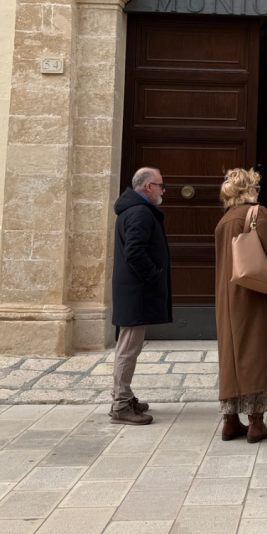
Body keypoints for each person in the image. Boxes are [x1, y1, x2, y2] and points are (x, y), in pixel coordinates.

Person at [215, 168, 267, 444]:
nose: (259, 192)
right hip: (255, 294)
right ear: (250, 190)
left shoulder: (224, 221)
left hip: (228, 297)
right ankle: (256, 423)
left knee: (231, 354)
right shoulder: (257, 213)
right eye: (256, 187)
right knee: (258, 351)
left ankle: (229, 421)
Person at [111, 167, 172, 425]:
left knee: (129, 346)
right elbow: (135, 252)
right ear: (148, 187)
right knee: (128, 348)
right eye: (160, 185)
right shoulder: (139, 212)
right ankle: (121, 405)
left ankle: (123, 396)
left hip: (134, 290)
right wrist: (154, 275)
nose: (163, 190)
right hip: (137, 291)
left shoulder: (134, 210)